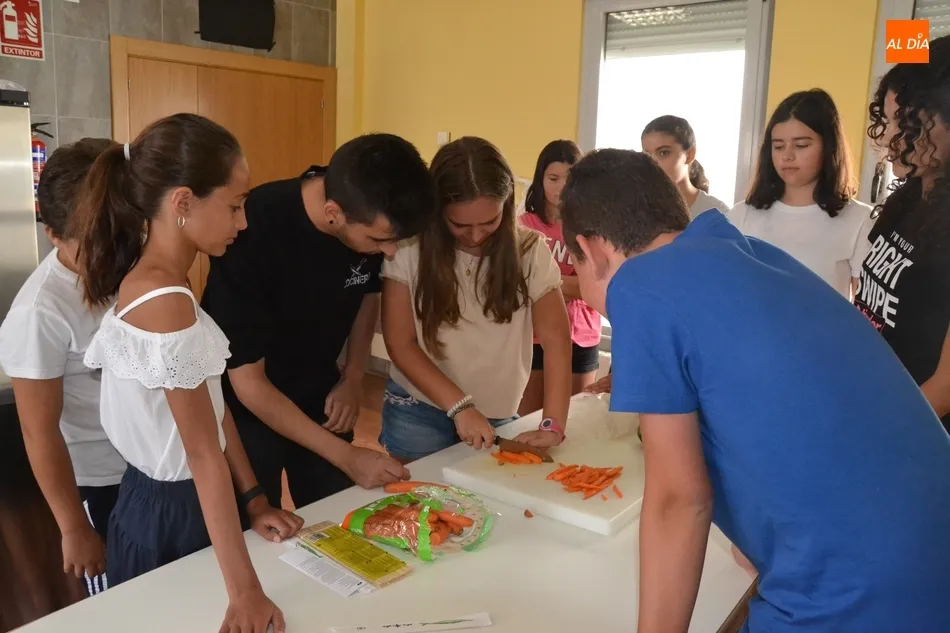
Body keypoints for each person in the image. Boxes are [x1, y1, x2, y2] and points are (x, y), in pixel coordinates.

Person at [559, 148, 950, 633]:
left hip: (863, 589)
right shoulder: (749, 252)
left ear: (592, 250)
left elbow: (680, 501)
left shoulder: (640, 285)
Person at [73, 114, 303, 633]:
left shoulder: (161, 282)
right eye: (235, 206)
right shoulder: (165, 299)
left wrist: (255, 499)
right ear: (182, 203)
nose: (242, 223)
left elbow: (213, 411)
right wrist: (246, 593)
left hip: (174, 502)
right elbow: (201, 454)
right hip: (170, 512)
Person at [201, 133, 435, 508]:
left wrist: (353, 377)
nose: (390, 251)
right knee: (261, 526)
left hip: (320, 394)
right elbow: (247, 381)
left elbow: (366, 297)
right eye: (381, 240)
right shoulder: (254, 225)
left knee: (337, 515)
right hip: (247, 405)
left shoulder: (364, 199)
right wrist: (348, 456)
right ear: (333, 215)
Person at [380, 137, 572, 463]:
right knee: (421, 508)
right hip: (419, 409)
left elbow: (556, 339)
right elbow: (400, 343)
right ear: (436, 209)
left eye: (490, 222)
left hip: (495, 411)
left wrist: (553, 422)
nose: (476, 236)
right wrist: (460, 405)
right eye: (460, 225)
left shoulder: (529, 251)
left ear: (507, 204)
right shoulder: (409, 247)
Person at [0, 139, 126, 595]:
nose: (114, 251)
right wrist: (74, 527)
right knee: (120, 602)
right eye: (96, 240)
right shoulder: (41, 311)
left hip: (153, 466)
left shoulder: (134, 270)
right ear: (53, 234)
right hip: (101, 482)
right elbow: (40, 431)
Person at [856, 35, 950, 432]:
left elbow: (946, 387)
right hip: (877, 395)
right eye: (891, 119)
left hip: (917, 432)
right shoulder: (912, 197)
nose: (890, 138)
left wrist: (876, 430)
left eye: (906, 122)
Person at [729, 89, 875, 299]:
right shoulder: (742, 214)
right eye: (778, 147)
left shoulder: (859, 220)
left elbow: (865, 310)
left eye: (801, 145)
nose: (787, 156)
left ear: (829, 147)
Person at [517, 140, 601, 415]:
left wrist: (545, 282)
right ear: (540, 179)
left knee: (576, 420)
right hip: (535, 335)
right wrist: (567, 284)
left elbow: (594, 286)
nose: (561, 187)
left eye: (568, 179)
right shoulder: (526, 225)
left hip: (583, 335)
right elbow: (521, 283)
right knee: (527, 422)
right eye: (553, 178)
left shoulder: (591, 227)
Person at [641, 115, 730, 219]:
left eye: (663, 153)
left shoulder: (719, 214)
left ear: (690, 155)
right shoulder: (638, 209)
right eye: (647, 155)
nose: (653, 162)